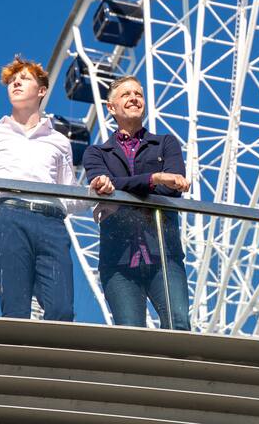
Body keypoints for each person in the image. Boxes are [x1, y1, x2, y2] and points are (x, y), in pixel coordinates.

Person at [0, 56, 84, 321]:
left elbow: (69, 195)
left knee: (62, 310)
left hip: (52, 222)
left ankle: (53, 360)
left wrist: (98, 197)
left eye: (24, 78)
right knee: (15, 308)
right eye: (12, 81)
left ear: (42, 91)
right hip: (9, 217)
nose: (16, 82)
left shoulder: (59, 141)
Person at [83, 75, 192, 330]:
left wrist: (122, 187)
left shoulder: (165, 143)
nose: (134, 98)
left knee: (179, 325)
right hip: (118, 261)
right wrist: (154, 178)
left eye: (138, 94)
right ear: (111, 108)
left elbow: (173, 190)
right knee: (130, 336)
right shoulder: (96, 153)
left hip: (164, 256)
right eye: (126, 94)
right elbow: (102, 184)